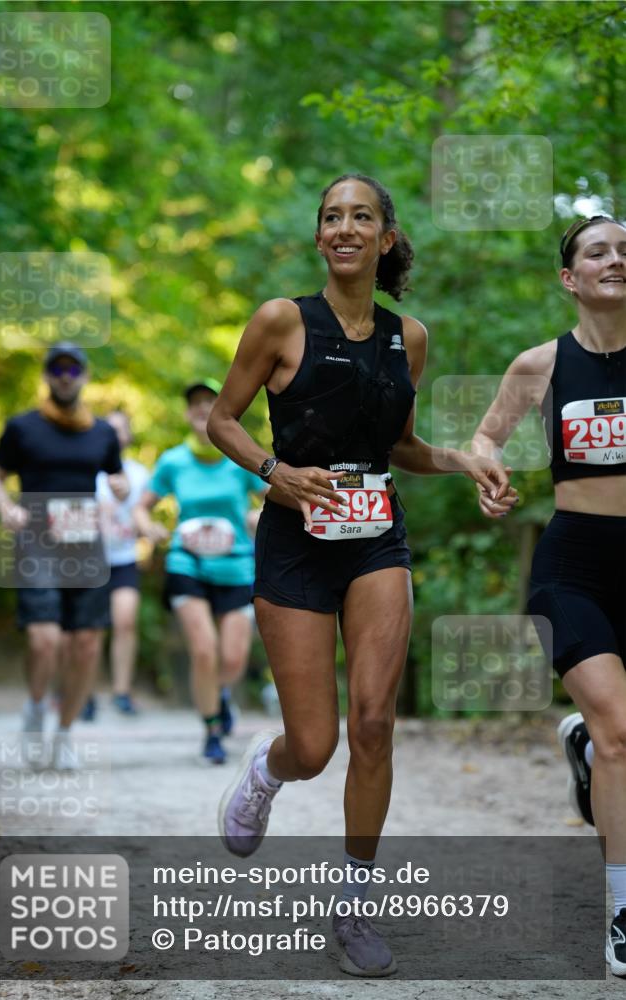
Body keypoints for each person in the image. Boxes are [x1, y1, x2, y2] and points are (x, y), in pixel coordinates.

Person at [206, 173, 510, 977]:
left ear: (384, 238)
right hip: (294, 541)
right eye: (331, 216)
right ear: (320, 238)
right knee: (316, 744)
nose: (345, 227)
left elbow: (401, 448)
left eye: (361, 216)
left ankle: (354, 907)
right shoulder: (279, 321)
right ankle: (268, 772)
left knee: (374, 724)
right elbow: (220, 419)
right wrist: (276, 471)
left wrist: (464, 461)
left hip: (375, 538)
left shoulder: (406, 337)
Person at [472, 215, 626, 978]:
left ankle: (585, 749)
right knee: (622, 731)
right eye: (597, 250)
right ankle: (623, 913)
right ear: (569, 279)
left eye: (624, 249)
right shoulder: (539, 364)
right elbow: (485, 437)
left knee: (616, 739)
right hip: (574, 565)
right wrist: (487, 473)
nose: (615, 258)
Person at [0, 343, 128, 768]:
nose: (66, 375)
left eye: (73, 368)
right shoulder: (22, 428)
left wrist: (122, 488)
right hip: (36, 543)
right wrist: (6, 507)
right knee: (44, 639)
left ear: (83, 376)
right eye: (57, 368)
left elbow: (119, 479)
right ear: (47, 375)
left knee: (85, 644)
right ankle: (34, 708)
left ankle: (63, 734)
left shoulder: (102, 432)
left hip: (85, 545)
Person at [133, 378, 266, 765]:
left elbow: (273, 500)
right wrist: (148, 526)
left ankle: (221, 696)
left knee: (234, 658)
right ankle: (211, 730)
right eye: (194, 403)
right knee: (204, 650)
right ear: (187, 413)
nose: (201, 408)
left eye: (210, 401)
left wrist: (256, 517)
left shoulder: (242, 458)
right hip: (186, 562)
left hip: (237, 565)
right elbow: (142, 506)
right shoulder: (173, 460)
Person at [93, 410, 151, 716]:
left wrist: (146, 537)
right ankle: (83, 694)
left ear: (128, 436)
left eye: (120, 430)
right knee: (89, 628)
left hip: (125, 559)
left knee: (125, 623)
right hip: (89, 561)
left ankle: (122, 692)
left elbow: (145, 517)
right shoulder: (87, 471)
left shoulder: (140, 474)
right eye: (109, 429)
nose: (115, 436)